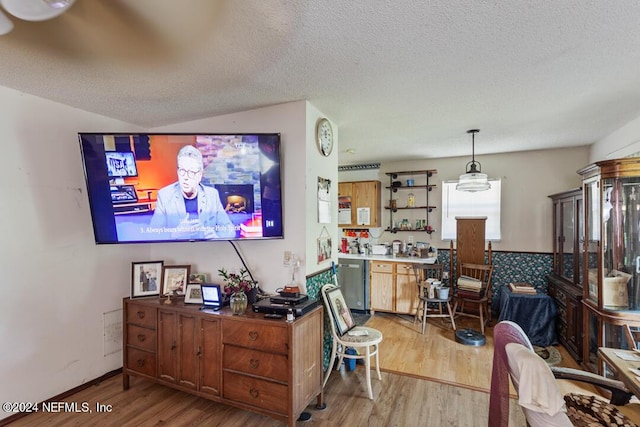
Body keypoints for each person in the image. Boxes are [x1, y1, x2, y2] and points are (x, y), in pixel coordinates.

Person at [149, 145, 236, 239]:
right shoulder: (165, 196)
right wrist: (174, 234)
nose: (185, 177)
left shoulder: (212, 195)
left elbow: (229, 229)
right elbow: (152, 234)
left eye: (191, 172)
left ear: (199, 176)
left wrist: (216, 237)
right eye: (182, 170)